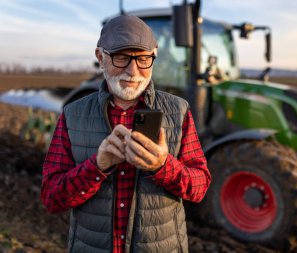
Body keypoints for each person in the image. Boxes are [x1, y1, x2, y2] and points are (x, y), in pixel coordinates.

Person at [41, 14, 211, 253]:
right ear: (101, 57)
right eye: (121, 57)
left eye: (143, 59)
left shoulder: (178, 111)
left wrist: (163, 166)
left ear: (154, 56)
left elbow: (200, 187)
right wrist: (97, 167)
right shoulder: (73, 114)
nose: (133, 71)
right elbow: (51, 198)